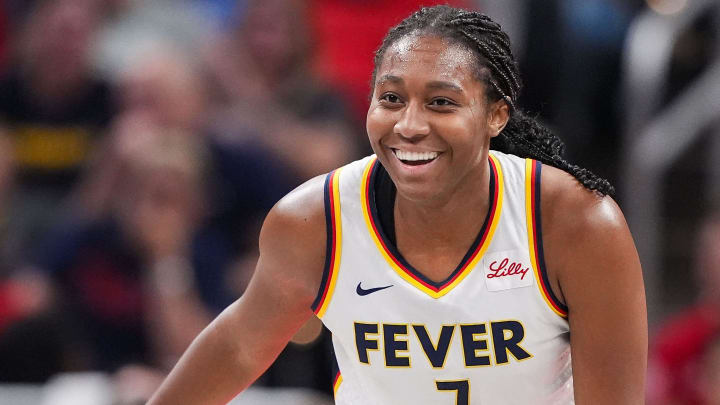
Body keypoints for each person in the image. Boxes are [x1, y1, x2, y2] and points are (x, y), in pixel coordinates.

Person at [148, 5, 647, 404]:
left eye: (441, 102)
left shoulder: (576, 224)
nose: (409, 125)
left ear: (496, 115)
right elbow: (238, 346)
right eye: (390, 98)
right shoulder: (314, 220)